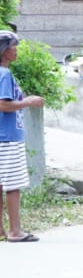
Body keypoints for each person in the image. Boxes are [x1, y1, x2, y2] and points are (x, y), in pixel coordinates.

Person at [0, 31, 45, 243]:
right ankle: (15, 231)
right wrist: (29, 102)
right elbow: (3, 105)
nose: (16, 49)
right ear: (5, 51)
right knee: (12, 184)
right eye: (14, 46)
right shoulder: (4, 74)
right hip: (8, 137)